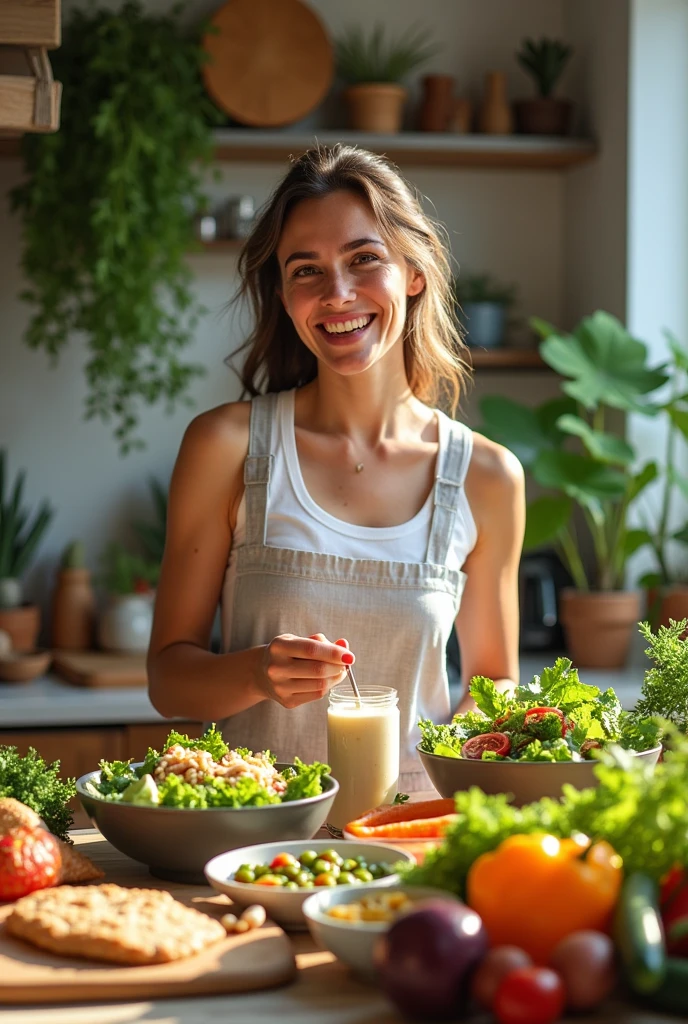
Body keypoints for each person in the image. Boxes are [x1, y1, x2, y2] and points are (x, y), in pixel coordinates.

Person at [147, 144, 525, 787]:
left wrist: (440, 760)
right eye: (306, 271)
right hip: (253, 841)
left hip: (411, 835)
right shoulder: (227, 446)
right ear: (285, 294)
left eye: (364, 259)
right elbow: (168, 679)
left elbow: (496, 682)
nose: (338, 294)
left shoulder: (487, 476)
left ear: (414, 271)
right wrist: (254, 672)